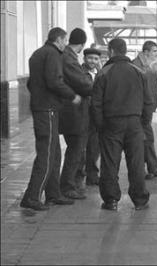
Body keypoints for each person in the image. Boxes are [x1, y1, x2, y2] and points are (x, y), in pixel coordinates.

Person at [20, 27, 81, 211]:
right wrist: (72, 95)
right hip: (47, 109)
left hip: (44, 107)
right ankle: (32, 196)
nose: (65, 44)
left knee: (54, 152)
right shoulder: (53, 54)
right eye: (65, 40)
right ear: (59, 40)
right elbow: (54, 81)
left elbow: (32, 83)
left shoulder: (37, 54)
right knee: (46, 153)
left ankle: (53, 194)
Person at [92, 38, 152, 211]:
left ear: (111, 51)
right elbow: (149, 101)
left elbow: (96, 103)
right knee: (136, 163)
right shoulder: (139, 71)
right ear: (125, 51)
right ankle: (140, 199)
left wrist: (100, 125)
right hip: (135, 122)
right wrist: (143, 122)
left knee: (110, 163)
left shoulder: (104, 72)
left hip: (111, 123)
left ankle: (111, 200)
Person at [58, 28, 93, 200]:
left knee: (76, 149)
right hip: (73, 112)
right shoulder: (69, 58)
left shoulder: (65, 56)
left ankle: (70, 183)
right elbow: (84, 84)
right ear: (81, 45)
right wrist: (93, 85)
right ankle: (67, 186)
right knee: (76, 149)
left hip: (71, 111)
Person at [132, 41, 157, 180]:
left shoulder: (150, 66)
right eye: (154, 51)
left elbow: (153, 88)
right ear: (146, 52)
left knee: (146, 139)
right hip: (140, 109)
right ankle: (149, 168)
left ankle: (150, 168)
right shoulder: (136, 66)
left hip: (147, 108)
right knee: (144, 139)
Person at [75, 47, 102, 188]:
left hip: (96, 116)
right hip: (82, 115)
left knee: (94, 147)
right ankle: (78, 175)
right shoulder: (79, 72)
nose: (93, 61)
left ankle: (92, 175)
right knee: (80, 147)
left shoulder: (101, 74)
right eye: (90, 58)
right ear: (84, 59)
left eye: (96, 59)